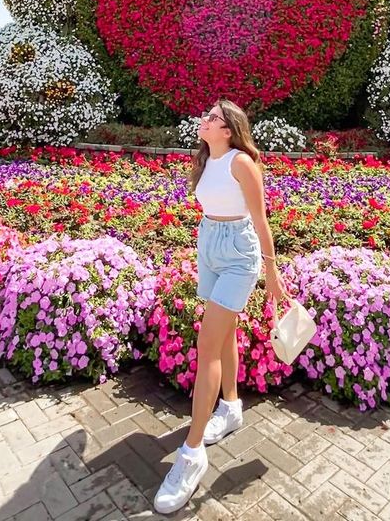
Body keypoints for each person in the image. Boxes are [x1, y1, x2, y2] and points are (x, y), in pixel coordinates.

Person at [154, 100, 288, 514]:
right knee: (224, 332)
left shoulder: (240, 162)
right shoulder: (206, 160)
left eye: (212, 118)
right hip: (209, 244)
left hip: (238, 254)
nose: (203, 120)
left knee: (206, 345)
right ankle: (230, 407)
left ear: (228, 129)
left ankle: (192, 454)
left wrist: (272, 271)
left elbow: (261, 219)